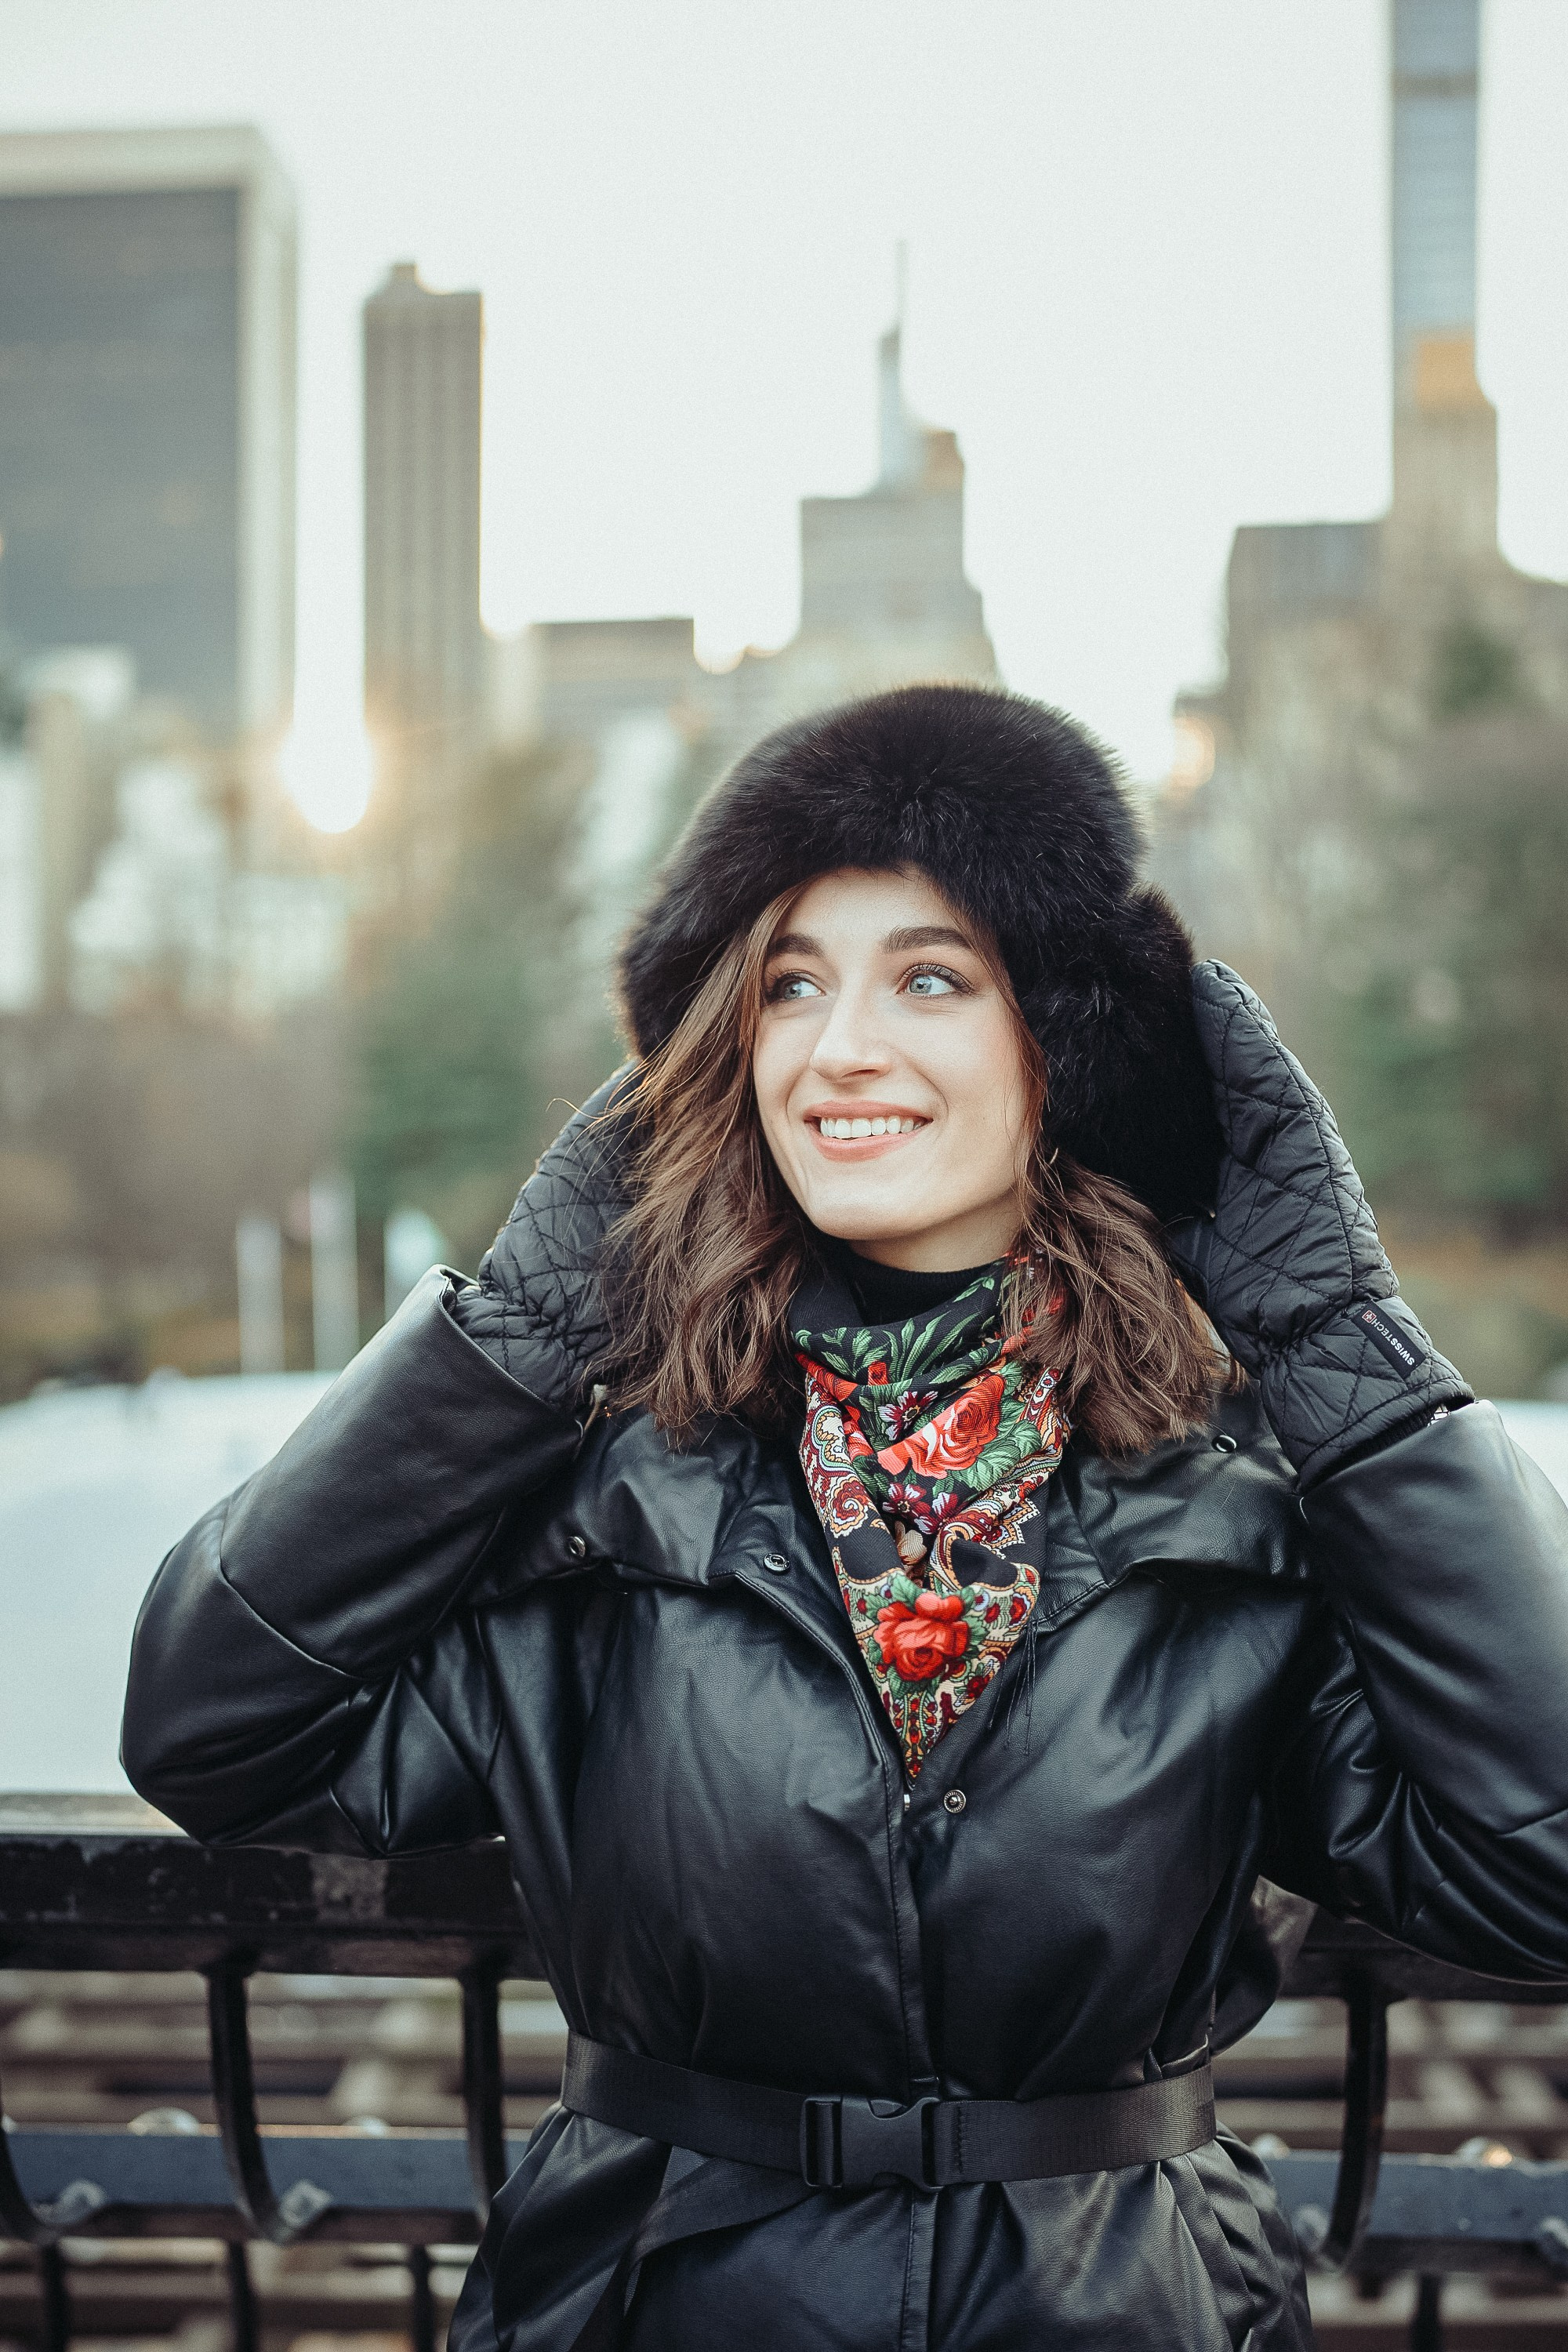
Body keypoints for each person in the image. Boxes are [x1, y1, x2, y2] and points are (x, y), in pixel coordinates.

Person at [122, 684, 1568, 2352]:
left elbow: (1540, 1870)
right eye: (788, 984)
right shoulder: (611, 1494)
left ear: (1065, 1041)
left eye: (929, 978)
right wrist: (508, 1336)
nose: (837, 1048)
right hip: (655, 2300)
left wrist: (1342, 1354)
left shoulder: (1231, 1505)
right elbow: (213, 1728)